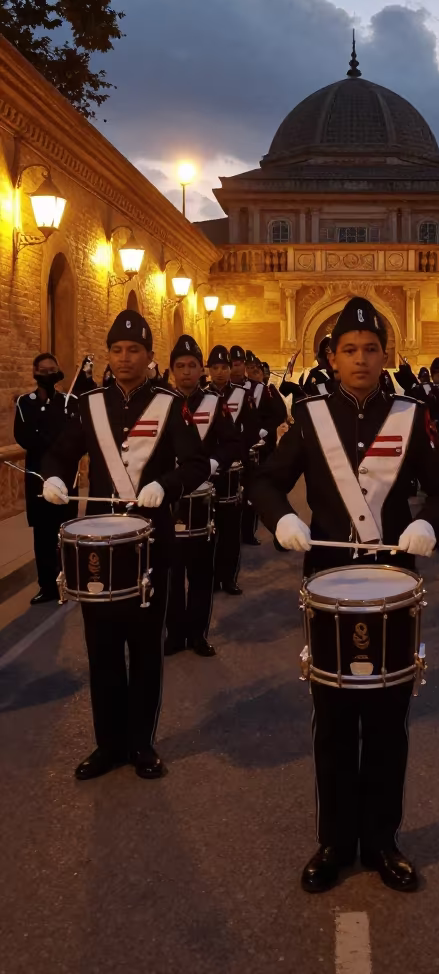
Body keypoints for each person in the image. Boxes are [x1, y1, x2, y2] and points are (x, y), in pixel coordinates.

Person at [248, 296, 439, 894]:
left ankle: (384, 840)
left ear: (385, 355)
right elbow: (265, 479)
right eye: (349, 351)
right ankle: (336, 842)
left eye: (371, 350)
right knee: (334, 721)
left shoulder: (410, 416)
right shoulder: (311, 417)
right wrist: (281, 519)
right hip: (329, 586)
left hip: (392, 588)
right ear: (332, 358)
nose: (361, 359)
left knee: (390, 721)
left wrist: (431, 523)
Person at [41, 310, 209, 781]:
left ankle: (140, 743)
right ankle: (107, 744)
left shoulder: (170, 404)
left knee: (144, 648)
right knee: (101, 647)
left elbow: (196, 464)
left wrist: (169, 485)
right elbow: (61, 451)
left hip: (150, 542)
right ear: (109, 356)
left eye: (133, 350)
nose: (124, 358)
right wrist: (54, 474)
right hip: (98, 546)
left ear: (150, 357)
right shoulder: (90, 404)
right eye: (116, 350)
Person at [167, 335, 243, 654]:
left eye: (192, 366)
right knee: (171, 573)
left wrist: (214, 463)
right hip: (169, 497)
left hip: (201, 496)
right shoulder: (162, 404)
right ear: (172, 371)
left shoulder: (215, 403)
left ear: (202, 371)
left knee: (200, 572)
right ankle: (175, 634)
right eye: (180, 366)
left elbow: (233, 443)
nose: (186, 372)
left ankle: (197, 634)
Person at [13, 353, 76, 604]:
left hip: (65, 474)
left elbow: (74, 436)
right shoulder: (24, 403)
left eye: (53, 370)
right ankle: (47, 585)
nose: (48, 374)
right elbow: (24, 435)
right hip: (37, 475)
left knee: (65, 530)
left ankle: (70, 579)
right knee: (42, 533)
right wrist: (51, 439)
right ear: (35, 372)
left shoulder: (68, 402)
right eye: (43, 370)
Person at [207, 344, 253, 582]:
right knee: (210, 527)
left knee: (231, 527)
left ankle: (229, 577)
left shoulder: (241, 395)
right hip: (209, 469)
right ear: (209, 370)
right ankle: (213, 576)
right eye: (215, 367)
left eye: (224, 367)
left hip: (234, 466)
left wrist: (241, 456)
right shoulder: (202, 396)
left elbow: (251, 428)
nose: (220, 372)